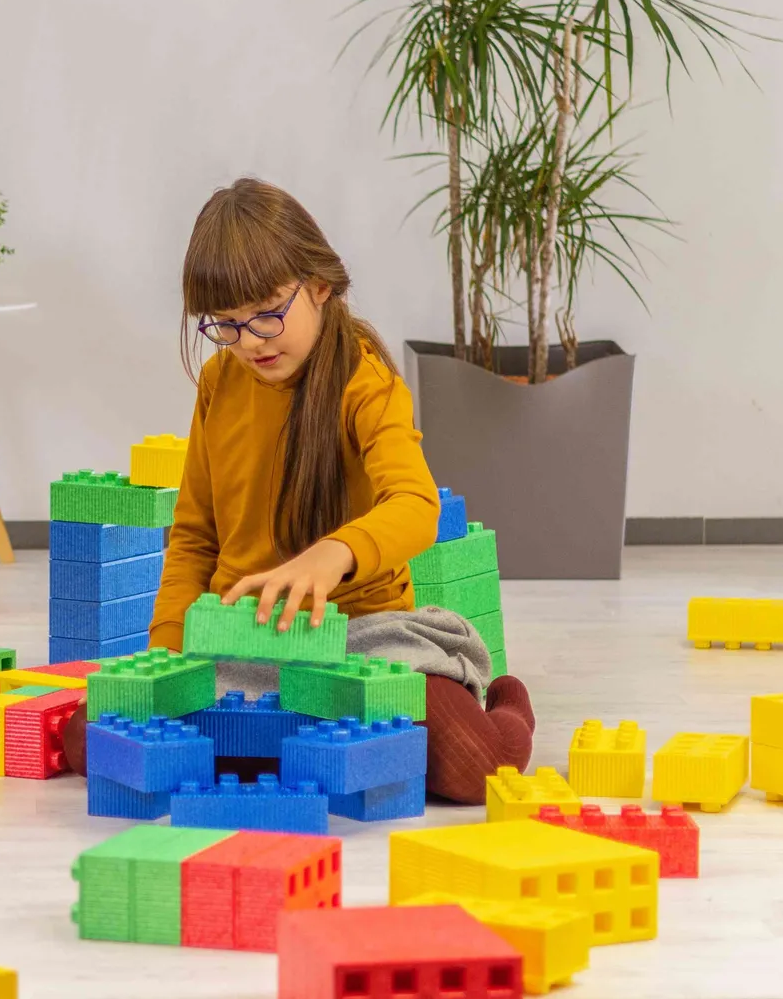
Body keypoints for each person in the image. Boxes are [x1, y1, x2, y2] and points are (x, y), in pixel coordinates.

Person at [68, 177, 531, 800]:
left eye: (267, 313)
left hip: (364, 637)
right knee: (90, 740)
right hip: (242, 642)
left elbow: (415, 506)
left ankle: (504, 696)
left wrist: (331, 555)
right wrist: (168, 656)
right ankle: (293, 742)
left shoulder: (366, 380)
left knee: (477, 764)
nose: (250, 341)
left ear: (319, 285)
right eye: (226, 325)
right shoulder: (219, 383)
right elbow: (195, 537)